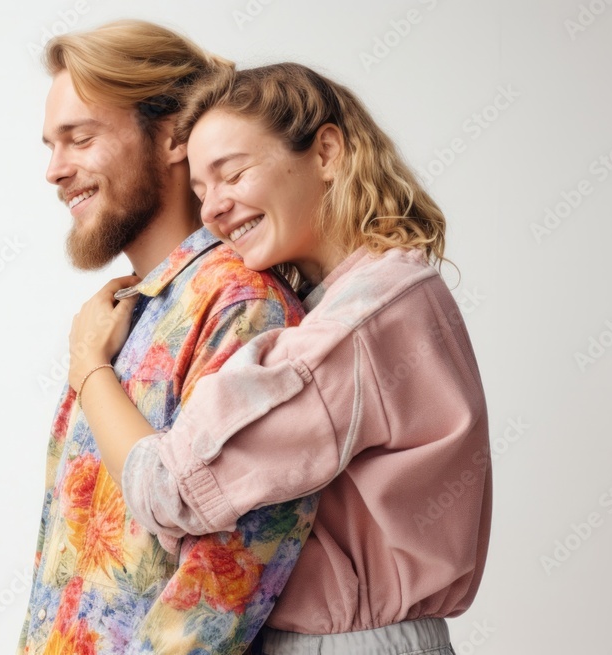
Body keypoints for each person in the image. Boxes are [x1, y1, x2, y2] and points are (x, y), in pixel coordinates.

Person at [68, 62, 491, 654]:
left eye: (233, 174)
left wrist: (89, 366)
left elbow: (173, 489)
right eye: (199, 190)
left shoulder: (353, 328)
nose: (213, 208)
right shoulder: (379, 289)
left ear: (326, 152)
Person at [19, 22, 321, 655]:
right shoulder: (123, 318)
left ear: (174, 135)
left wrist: (87, 365)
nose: (54, 170)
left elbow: (221, 594)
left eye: (80, 138)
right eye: (51, 145)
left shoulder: (245, 310)